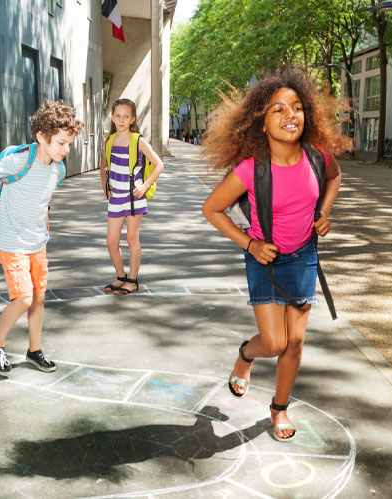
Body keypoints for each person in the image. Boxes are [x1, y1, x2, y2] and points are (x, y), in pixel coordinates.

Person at [200, 68, 347, 441]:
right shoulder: (251, 169)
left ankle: (278, 409)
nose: (290, 116)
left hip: (302, 257)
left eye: (296, 108)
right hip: (263, 259)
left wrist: (324, 213)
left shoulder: (316, 157)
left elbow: (335, 176)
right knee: (274, 342)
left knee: (295, 343)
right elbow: (212, 209)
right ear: (261, 123)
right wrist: (250, 243)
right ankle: (247, 355)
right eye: (278, 110)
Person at [0, 100, 84, 377]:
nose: (65, 149)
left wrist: (45, 225)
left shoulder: (58, 169)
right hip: (11, 240)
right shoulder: (22, 159)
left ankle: (34, 349)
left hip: (37, 241)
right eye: (60, 143)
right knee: (23, 298)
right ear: (42, 137)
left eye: (69, 144)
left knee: (39, 298)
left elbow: (42, 200)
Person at [99, 98, 165, 295]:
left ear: (132, 119)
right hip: (116, 197)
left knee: (131, 238)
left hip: (134, 196)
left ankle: (133, 280)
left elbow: (159, 165)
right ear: (112, 117)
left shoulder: (138, 140)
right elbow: (103, 167)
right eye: (118, 115)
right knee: (111, 241)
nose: (121, 119)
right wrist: (105, 187)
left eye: (126, 116)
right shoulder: (110, 140)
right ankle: (120, 277)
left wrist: (144, 186)